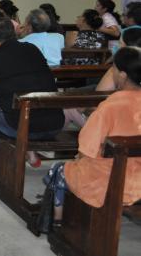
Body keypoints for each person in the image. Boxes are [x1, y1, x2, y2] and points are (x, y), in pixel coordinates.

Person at [44, 46, 141, 224]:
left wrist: (78, 161)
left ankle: (58, 222)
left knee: (58, 170)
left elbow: (86, 151)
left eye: (114, 69)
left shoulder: (109, 106)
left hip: (110, 181)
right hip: (138, 180)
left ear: (123, 75)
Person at [0, 17, 64, 174]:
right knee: (17, 98)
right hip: (54, 124)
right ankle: (31, 155)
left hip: (20, 127)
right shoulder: (32, 49)